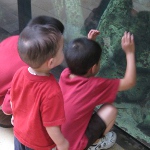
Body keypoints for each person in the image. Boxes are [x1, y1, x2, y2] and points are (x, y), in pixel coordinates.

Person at [59, 31, 136, 150]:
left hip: (58, 137)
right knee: (110, 110)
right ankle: (95, 143)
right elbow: (129, 82)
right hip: (74, 146)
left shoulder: (66, 74)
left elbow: (84, 67)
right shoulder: (94, 86)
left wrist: (91, 43)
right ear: (94, 67)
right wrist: (130, 53)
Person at [3, 23, 69, 150]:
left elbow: (13, 99)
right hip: (38, 144)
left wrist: (14, 116)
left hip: (19, 132)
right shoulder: (52, 91)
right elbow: (51, 125)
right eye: (61, 49)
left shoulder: (20, 73)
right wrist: (61, 143)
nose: (63, 51)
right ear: (51, 62)